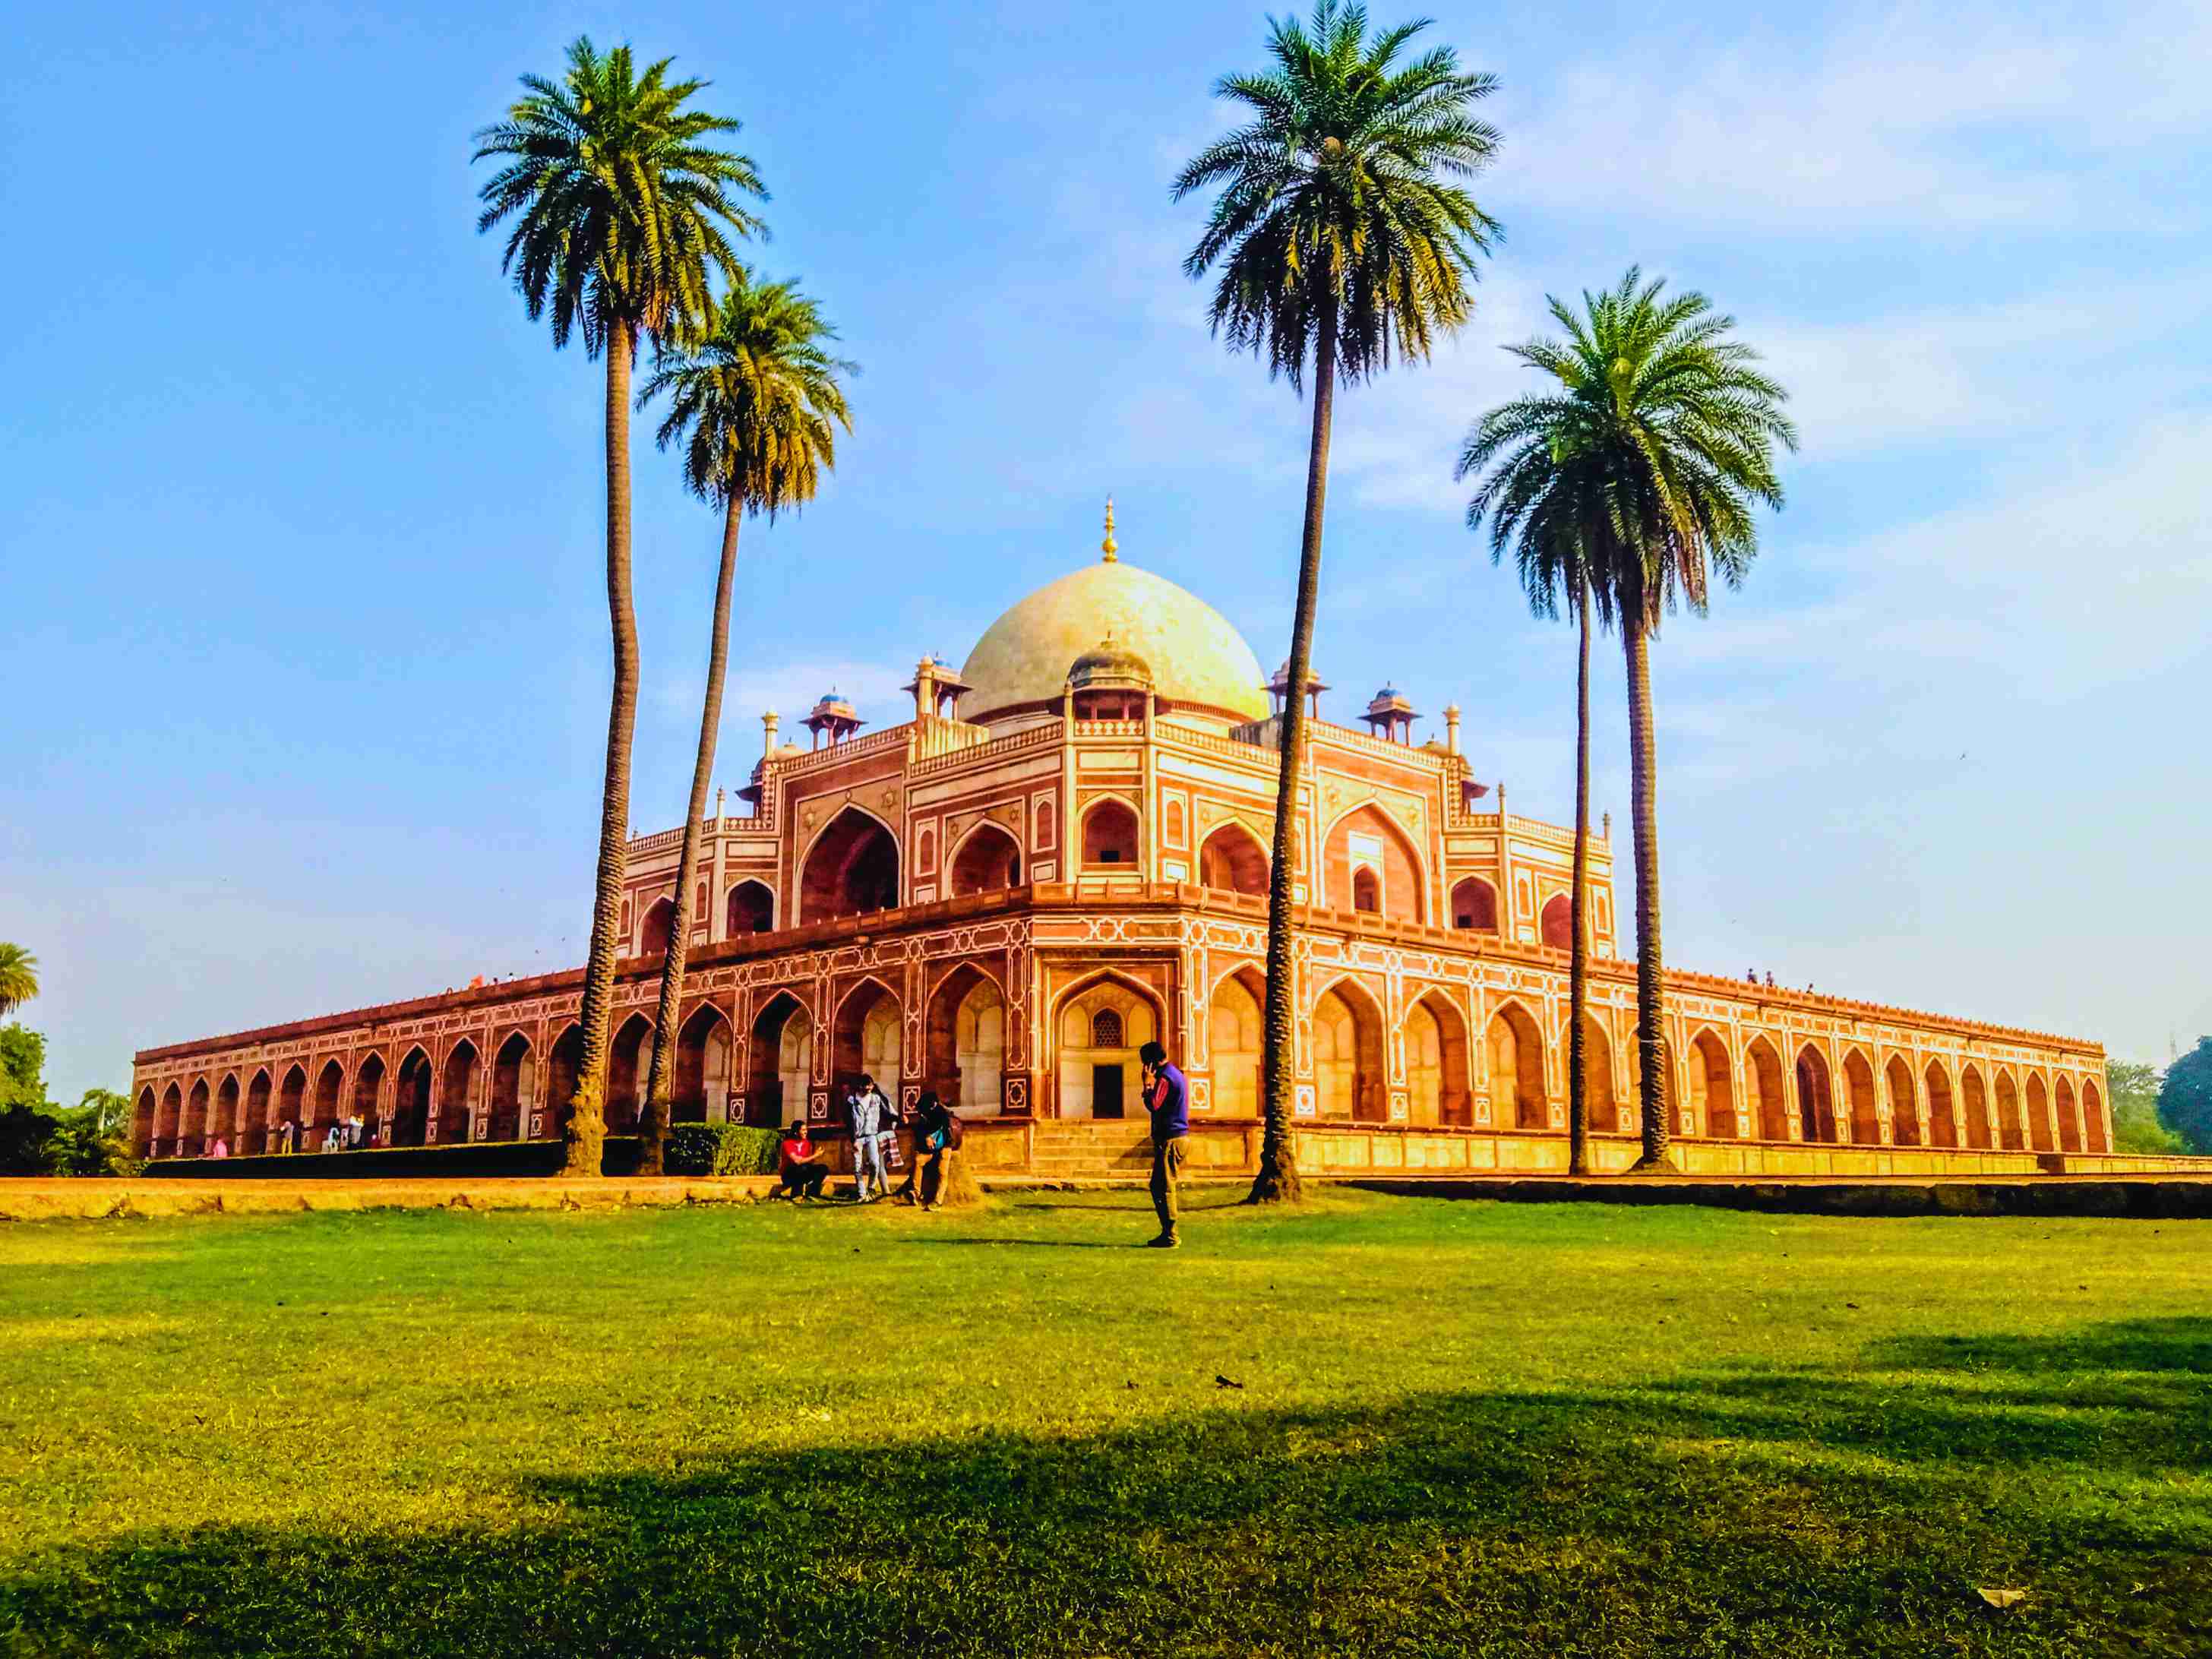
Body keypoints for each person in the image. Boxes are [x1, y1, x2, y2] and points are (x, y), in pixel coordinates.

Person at [1139, 1039, 1188, 1249]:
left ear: (1150, 1063)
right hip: (1177, 1137)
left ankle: (1171, 1235)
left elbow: (1154, 1104)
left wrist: (1147, 1083)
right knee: (1158, 1185)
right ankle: (1167, 1232)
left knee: (1164, 1187)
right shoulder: (1177, 1074)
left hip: (1171, 1139)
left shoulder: (1166, 1078)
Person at [908, 1090, 953, 1211]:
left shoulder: (943, 1113)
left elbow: (936, 1126)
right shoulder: (925, 1113)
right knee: (919, 1161)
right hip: (931, 1149)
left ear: (933, 1104)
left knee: (942, 1172)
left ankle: (938, 1201)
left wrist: (928, 1136)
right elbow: (920, 1129)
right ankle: (916, 1193)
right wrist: (926, 1137)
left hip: (945, 1146)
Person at [848, 1077, 885, 1201]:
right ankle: (861, 1193)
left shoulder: (876, 1099)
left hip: (872, 1135)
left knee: (875, 1163)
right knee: (858, 1166)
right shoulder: (852, 1100)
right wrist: (852, 1139)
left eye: (871, 1086)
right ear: (860, 1086)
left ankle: (871, 1189)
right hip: (858, 1137)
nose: (869, 1088)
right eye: (866, 1086)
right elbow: (848, 1121)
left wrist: (899, 1118)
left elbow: (886, 1111)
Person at [777, 1120, 829, 1201]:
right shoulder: (787, 1144)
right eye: (803, 1130)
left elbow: (807, 1162)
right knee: (800, 1167)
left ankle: (812, 1192)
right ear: (796, 1132)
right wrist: (815, 1155)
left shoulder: (807, 1143)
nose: (806, 1132)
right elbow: (797, 1161)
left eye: (806, 1130)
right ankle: (796, 1195)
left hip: (802, 1171)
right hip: (789, 1175)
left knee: (823, 1168)